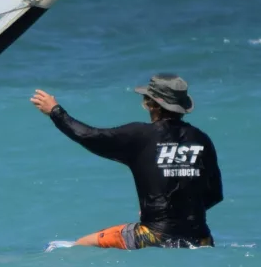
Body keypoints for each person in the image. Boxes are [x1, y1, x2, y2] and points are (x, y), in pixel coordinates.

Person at [30, 74, 222, 249]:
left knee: (79, 246)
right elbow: (215, 194)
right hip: (201, 238)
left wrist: (55, 111)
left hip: (152, 236)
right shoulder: (202, 139)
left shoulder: (140, 136)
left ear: (152, 104)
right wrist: (174, 210)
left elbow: (88, 136)